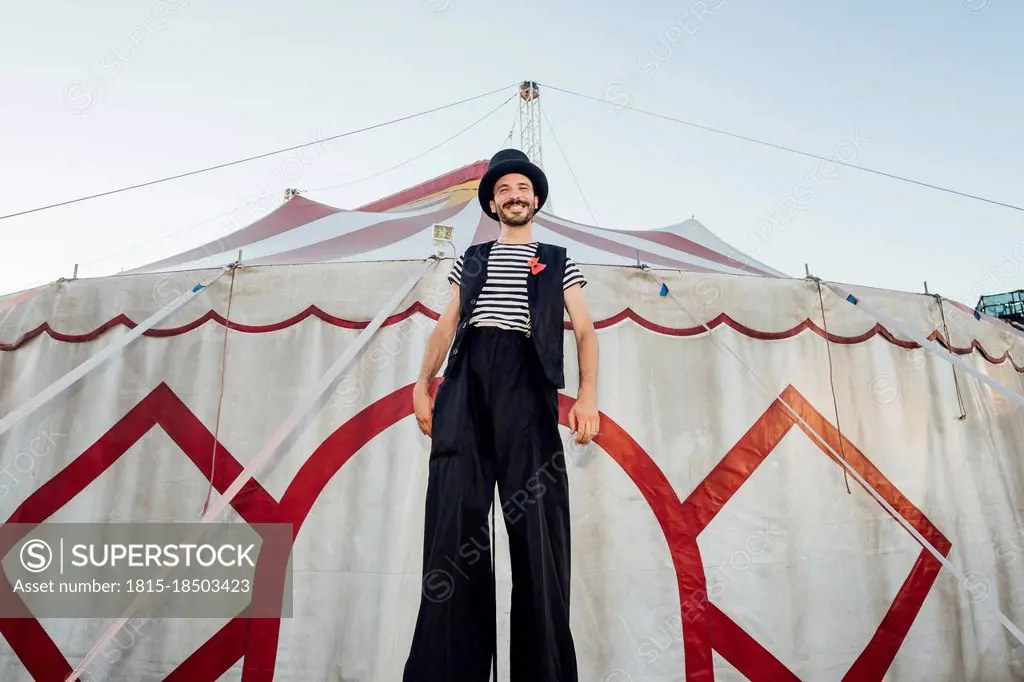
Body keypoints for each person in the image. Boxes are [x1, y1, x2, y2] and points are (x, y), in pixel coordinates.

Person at [403, 149, 599, 682]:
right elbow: (447, 325)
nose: (514, 196)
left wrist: (587, 395)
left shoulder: (560, 260)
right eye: (504, 190)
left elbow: (583, 328)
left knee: (537, 531)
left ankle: (546, 673)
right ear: (492, 202)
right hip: (467, 383)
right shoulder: (472, 258)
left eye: (523, 188)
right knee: (453, 525)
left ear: (534, 199)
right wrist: (423, 383)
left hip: (527, 385)